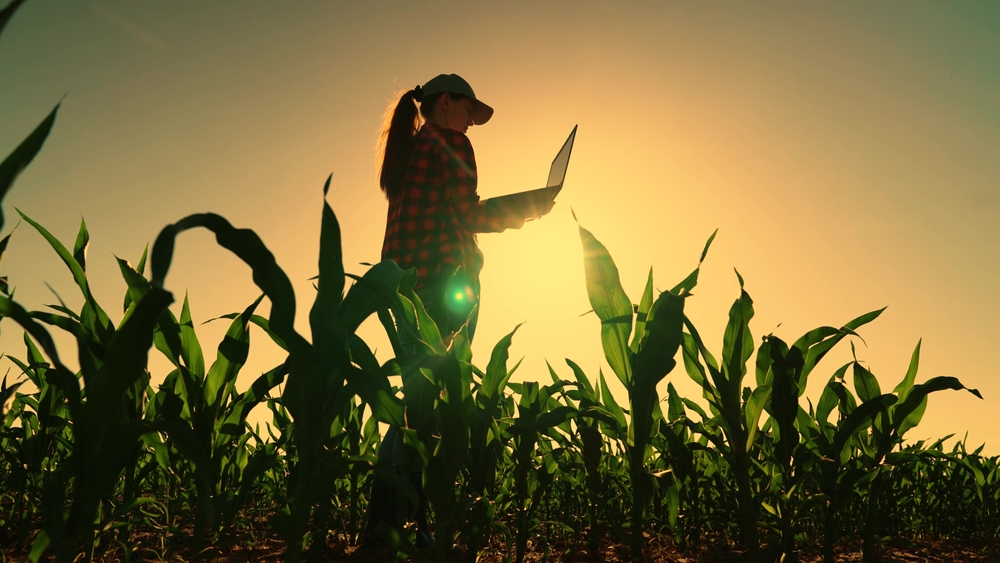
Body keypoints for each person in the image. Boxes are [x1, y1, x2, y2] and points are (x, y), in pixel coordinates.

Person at [364, 73, 555, 549]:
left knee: (416, 404)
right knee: (421, 409)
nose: (472, 122)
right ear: (445, 102)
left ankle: (404, 525)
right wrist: (529, 207)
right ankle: (385, 530)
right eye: (470, 110)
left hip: (403, 289)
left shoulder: (409, 152)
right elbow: (468, 215)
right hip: (437, 286)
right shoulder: (450, 142)